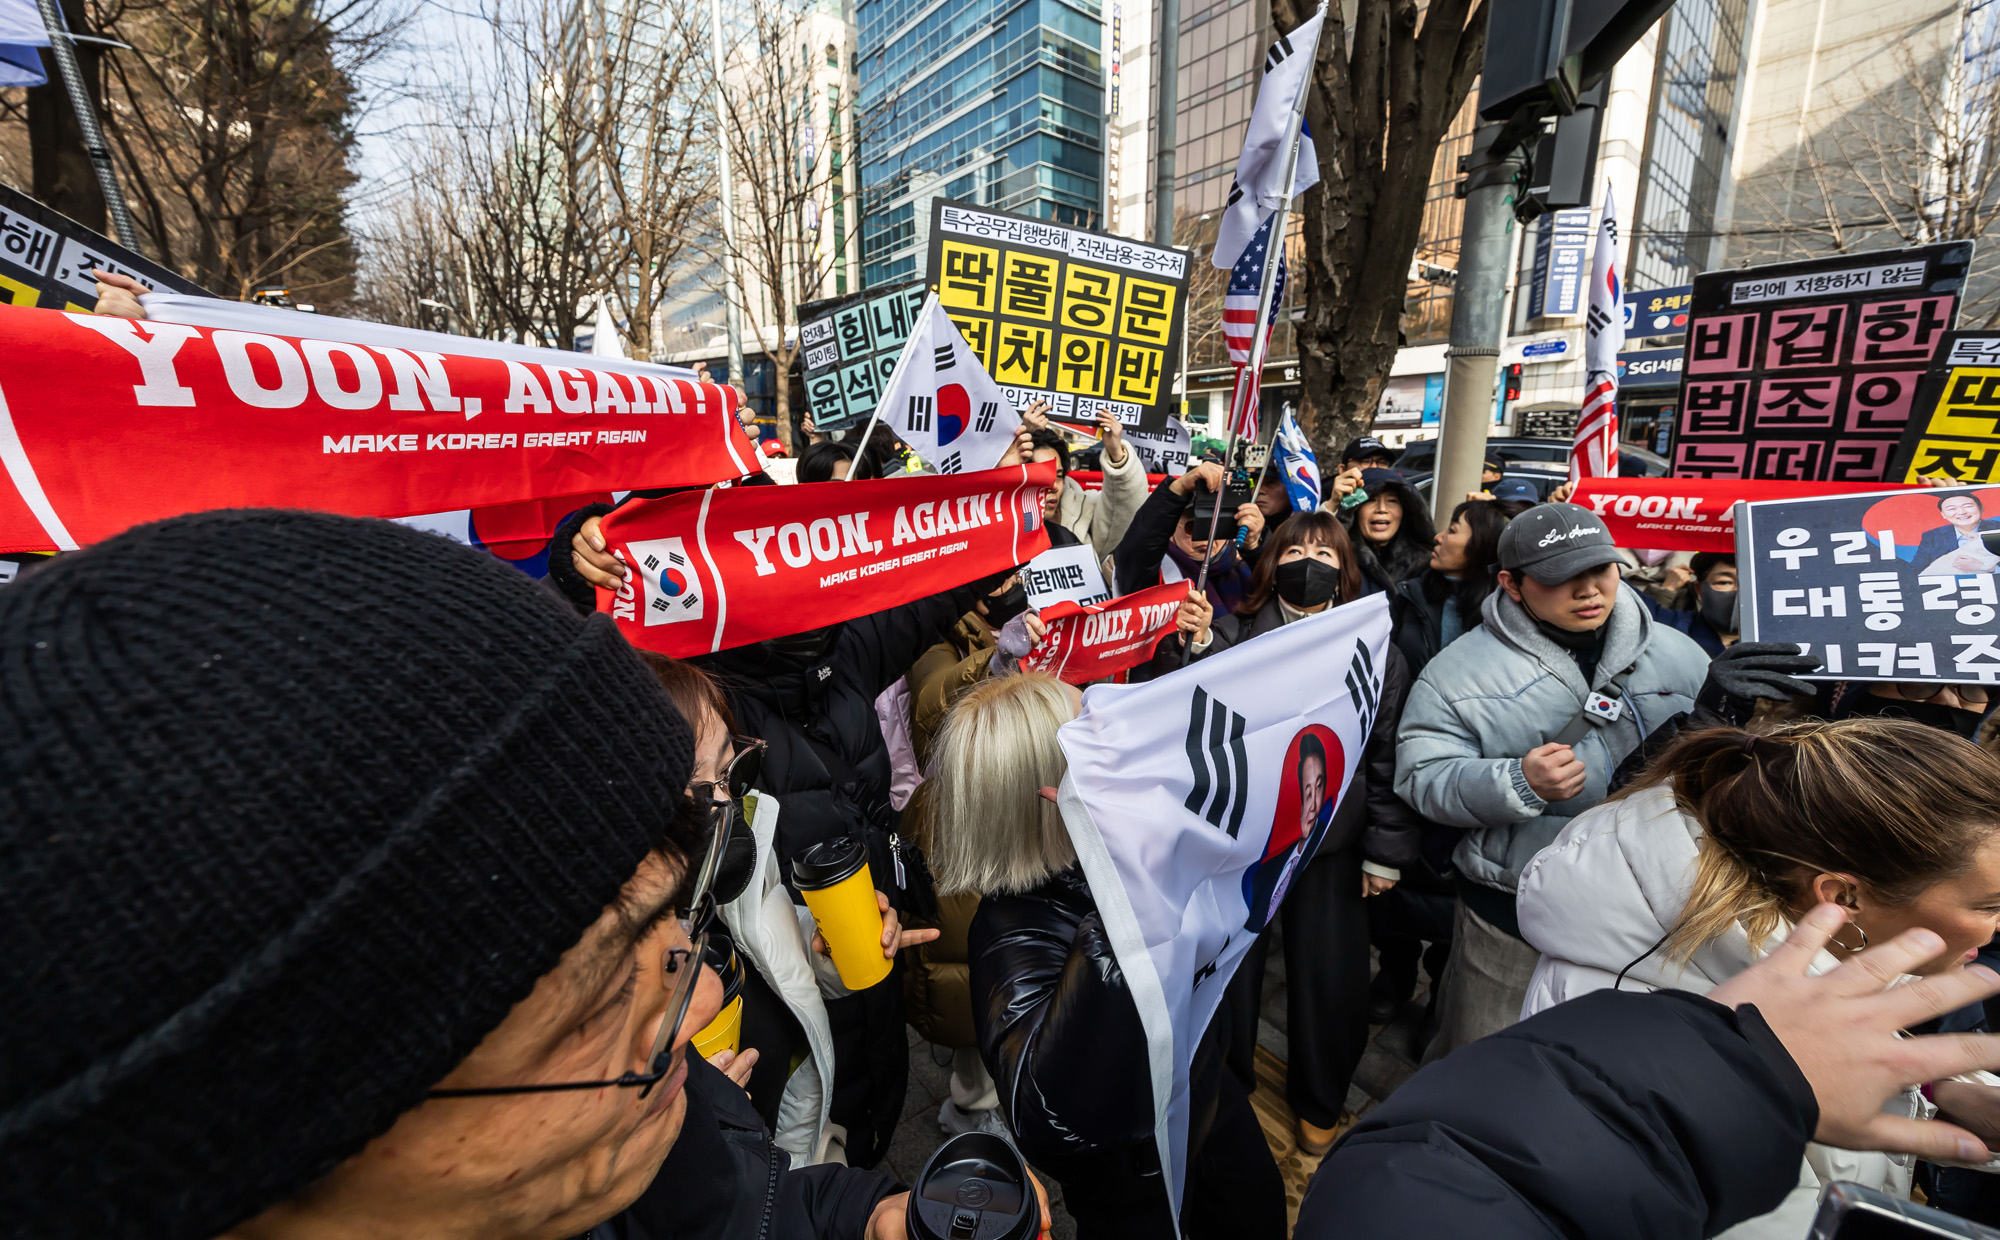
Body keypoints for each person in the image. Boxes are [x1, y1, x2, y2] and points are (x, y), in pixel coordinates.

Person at [1, 509, 947, 1240]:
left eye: (676, 923)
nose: (698, 999)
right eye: (586, 1002)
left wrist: (860, 1220)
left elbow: (734, 1209)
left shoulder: (627, 1111)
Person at [557, 511, 1000, 1168]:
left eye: (732, 773)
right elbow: (593, 662)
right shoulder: (709, 686)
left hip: (853, 943)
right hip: (769, 1026)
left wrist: (1006, 515)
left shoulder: (849, 650)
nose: (724, 793)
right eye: (712, 776)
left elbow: (934, 576)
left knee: (864, 1107)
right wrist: (582, 562)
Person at [1517, 718, 2000, 1239]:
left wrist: (1934, 1094)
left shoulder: (1806, 958)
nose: (1999, 926)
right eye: (1990, 905)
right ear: (1842, 897)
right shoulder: (1644, 1018)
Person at [935, 674, 1287, 1240]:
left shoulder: (1100, 850)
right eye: (1093, 741)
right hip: (1136, 1176)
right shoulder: (1007, 935)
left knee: (1256, 1206)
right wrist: (1128, 900)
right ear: (1050, 795)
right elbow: (1041, 1111)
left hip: (1206, 1095)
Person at [1395, 505, 1709, 1059]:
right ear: (1510, 584)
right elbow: (1422, 776)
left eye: (1601, 570)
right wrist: (1515, 781)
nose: (1589, 591)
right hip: (1511, 915)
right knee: (1484, 1060)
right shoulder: (1455, 673)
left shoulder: (1682, 655)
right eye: (1561, 577)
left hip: (1660, 908)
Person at [1162, 510, 1421, 1153]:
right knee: (1232, 977)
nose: (1311, 563)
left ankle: (1319, 1102)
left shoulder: (1378, 648)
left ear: (1347, 571)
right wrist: (1190, 648)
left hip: (1332, 846)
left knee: (1330, 981)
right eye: (1296, 550)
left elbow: (1386, 756)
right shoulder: (1233, 631)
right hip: (1248, 844)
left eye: (1326, 554)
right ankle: (1228, 1091)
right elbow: (1188, 710)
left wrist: (1384, 853)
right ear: (1272, 562)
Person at [1389, 497, 1529, 678]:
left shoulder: (1511, 617)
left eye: (1452, 531)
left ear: (1482, 546)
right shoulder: (1412, 593)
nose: (1438, 537)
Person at [1112, 460, 1264, 619]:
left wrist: (1253, 548)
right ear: (1171, 530)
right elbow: (1139, 547)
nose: (1206, 538)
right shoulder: (1157, 573)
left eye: (1216, 527)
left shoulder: (1243, 569)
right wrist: (1180, 487)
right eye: (1193, 527)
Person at [1337, 469, 1434, 595]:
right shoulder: (1337, 561)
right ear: (1355, 511)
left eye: (1392, 501)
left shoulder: (1426, 566)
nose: (1382, 509)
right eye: (1371, 500)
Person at [1645, 551, 1739, 656]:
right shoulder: (1676, 627)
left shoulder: (1759, 648)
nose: (1739, 592)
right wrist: (1668, 589)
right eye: (1724, 582)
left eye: (1752, 583)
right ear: (1699, 590)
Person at [1917, 492, 2000, 575]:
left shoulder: (1997, 529)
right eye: (1951, 509)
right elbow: (1917, 570)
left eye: (1967, 506)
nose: (1961, 512)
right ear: (1943, 515)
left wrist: (1987, 568)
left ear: (1981, 508)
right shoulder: (1932, 537)